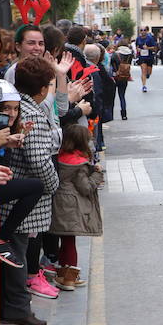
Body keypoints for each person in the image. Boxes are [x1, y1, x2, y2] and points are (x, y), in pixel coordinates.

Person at [0, 56, 60, 325]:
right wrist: (54, 183)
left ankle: (14, 304)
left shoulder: (18, 106)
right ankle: (18, 308)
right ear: (44, 88)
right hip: (22, 200)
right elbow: (38, 159)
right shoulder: (31, 113)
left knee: (16, 251)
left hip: (15, 196)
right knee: (18, 253)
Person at [49, 124, 103, 290]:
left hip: (58, 201)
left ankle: (65, 275)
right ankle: (70, 279)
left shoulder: (59, 157)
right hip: (72, 205)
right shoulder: (79, 164)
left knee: (65, 240)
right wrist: (97, 174)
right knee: (70, 242)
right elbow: (85, 187)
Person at [110, 41, 133, 120]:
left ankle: (111, 115)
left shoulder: (115, 54)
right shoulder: (130, 54)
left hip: (115, 76)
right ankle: (124, 114)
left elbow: (111, 63)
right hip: (125, 77)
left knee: (112, 97)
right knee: (122, 96)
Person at [134, 27, 157, 92]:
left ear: (146, 31)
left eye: (144, 30)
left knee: (149, 72)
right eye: (141, 30)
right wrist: (138, 50)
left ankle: (148, 75)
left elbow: (154, 48)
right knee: (143, 70)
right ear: (140, 31)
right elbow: (137, 47)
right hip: (142, 57)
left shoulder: (150, 38)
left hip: (149, 57)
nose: (143, 31)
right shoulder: (138, 39)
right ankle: (144, 86)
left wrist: (148, 48)